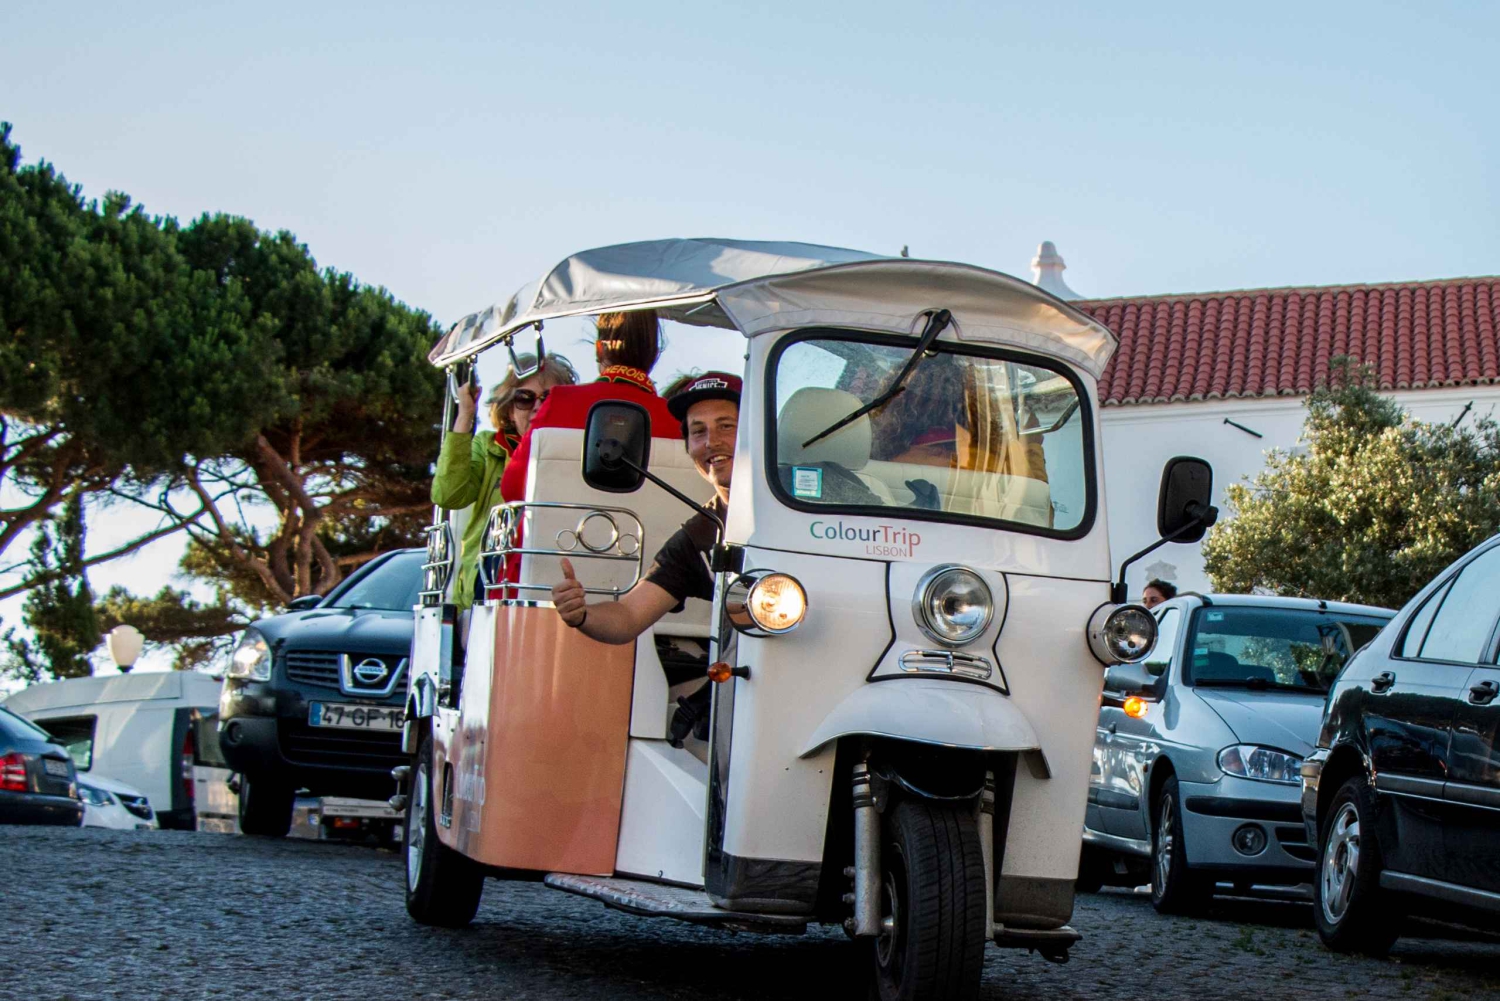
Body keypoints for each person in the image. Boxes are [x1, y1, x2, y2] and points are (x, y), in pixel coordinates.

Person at [551, 372, 741, 644]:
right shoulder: (699, 537)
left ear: (758, 432)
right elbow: (627, 617)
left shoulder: (816, 498)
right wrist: (582, 614)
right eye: (698, 431)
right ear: (688, 446)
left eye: (726, 426)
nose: (711, 442)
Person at [431, 352, 578, 606]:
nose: (537, 406)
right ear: (510, 409)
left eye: (549, 398)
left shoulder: (577, 454)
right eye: (524, 398)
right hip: (489, 586)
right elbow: (448, 495)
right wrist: (465, 414)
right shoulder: (489, 448)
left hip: (552, 588)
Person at [499, 310, 678, 507]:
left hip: (559, 536)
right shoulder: (678, 420)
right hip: (650, 537)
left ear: (599, 350)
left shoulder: (560, 402)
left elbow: (513, 488)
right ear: (654, 353)